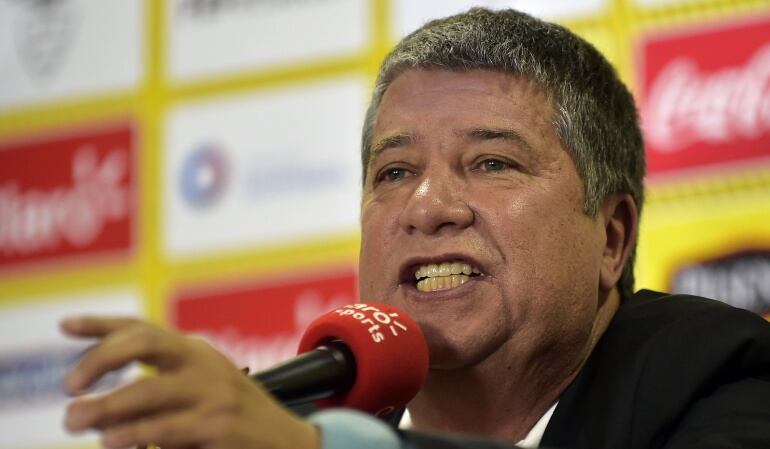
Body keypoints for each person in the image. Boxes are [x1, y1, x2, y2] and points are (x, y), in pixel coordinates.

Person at [60, 8, 770, 449]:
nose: (427, 206)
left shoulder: (722, 377)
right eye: (395, 172)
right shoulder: (295, 413)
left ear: (611, 237)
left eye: (491, 162)